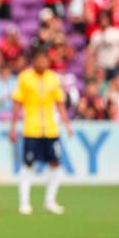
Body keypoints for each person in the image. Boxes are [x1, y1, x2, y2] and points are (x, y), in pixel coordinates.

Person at [9, 45, 74, 216]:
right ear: (34, 60)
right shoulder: (25, 78)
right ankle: (24, 202)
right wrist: (13, 127)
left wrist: (66, 124)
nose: (42, 62)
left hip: (51, 129)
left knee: (55, 164)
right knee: (28, 164)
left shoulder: (53, 78)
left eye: (45, 59)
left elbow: (59, 103)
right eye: (39, 59)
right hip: (32, 128)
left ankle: (50, 201)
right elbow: (17, 104)